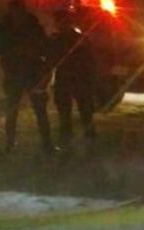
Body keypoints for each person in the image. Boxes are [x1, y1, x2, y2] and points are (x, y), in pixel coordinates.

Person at [0, 0, 53, 154]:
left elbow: (44, 46)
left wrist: (32, 52)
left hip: (32, 72)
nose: (16, 14)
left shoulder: (33, 25)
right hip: (14, 73)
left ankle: (47, 143)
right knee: (12, 110)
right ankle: (10, 142)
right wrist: (15, 51)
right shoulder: (4, 27)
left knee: (40, 110)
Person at [49, 8, 97, 151]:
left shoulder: (79, 39)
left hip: (77, 78)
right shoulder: (58, 39)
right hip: (67, 78)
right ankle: (69, 139)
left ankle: (87, 139)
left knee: (83, 110)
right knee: (67, 112)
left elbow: (89, 60)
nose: (59, 25)